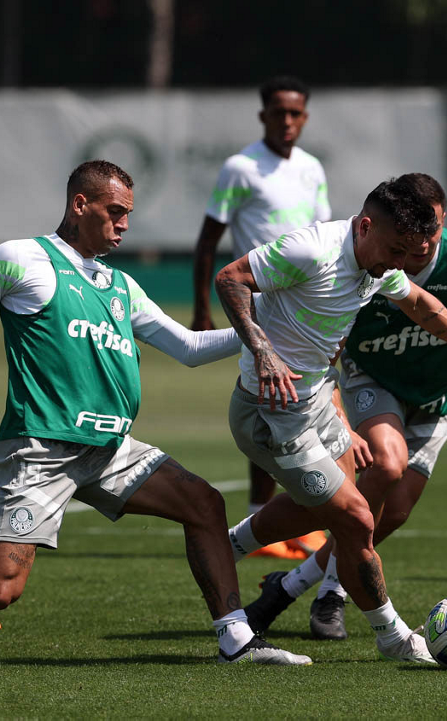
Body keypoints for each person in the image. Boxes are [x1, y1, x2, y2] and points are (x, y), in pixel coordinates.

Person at [0, 161, 312, 669]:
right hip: (42, 451)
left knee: (205, 503)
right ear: (80, 204)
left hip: (111, 451)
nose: (124, 224)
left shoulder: (120, 285)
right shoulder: (19, 259)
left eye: (128, 214)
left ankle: (236, 640)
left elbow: (188, 348)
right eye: (115, 211)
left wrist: (267, 332)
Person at [243, 173, 447, 640]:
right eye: (413, 230)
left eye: (431, 229)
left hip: (436, 396)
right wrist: (337, 414)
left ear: (442, 222)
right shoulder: (366, 256)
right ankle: (332, 591)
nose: (421, 241)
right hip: (370, 380)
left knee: (391, 513)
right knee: (386, 463)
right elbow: (323, 342)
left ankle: (289, 585)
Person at [191, 76, 332, 560]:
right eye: (278, 113)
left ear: (305, 117)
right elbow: (208, 241)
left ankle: (293, 518)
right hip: (258, 298)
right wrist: (203, 307)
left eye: (295, 113)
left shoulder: (312, 168)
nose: (287, 121)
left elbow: (323, 234)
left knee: (307, 398)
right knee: (270, 399)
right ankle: (264, 520)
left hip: (306, 303)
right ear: (263, 116)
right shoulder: (241, 168)